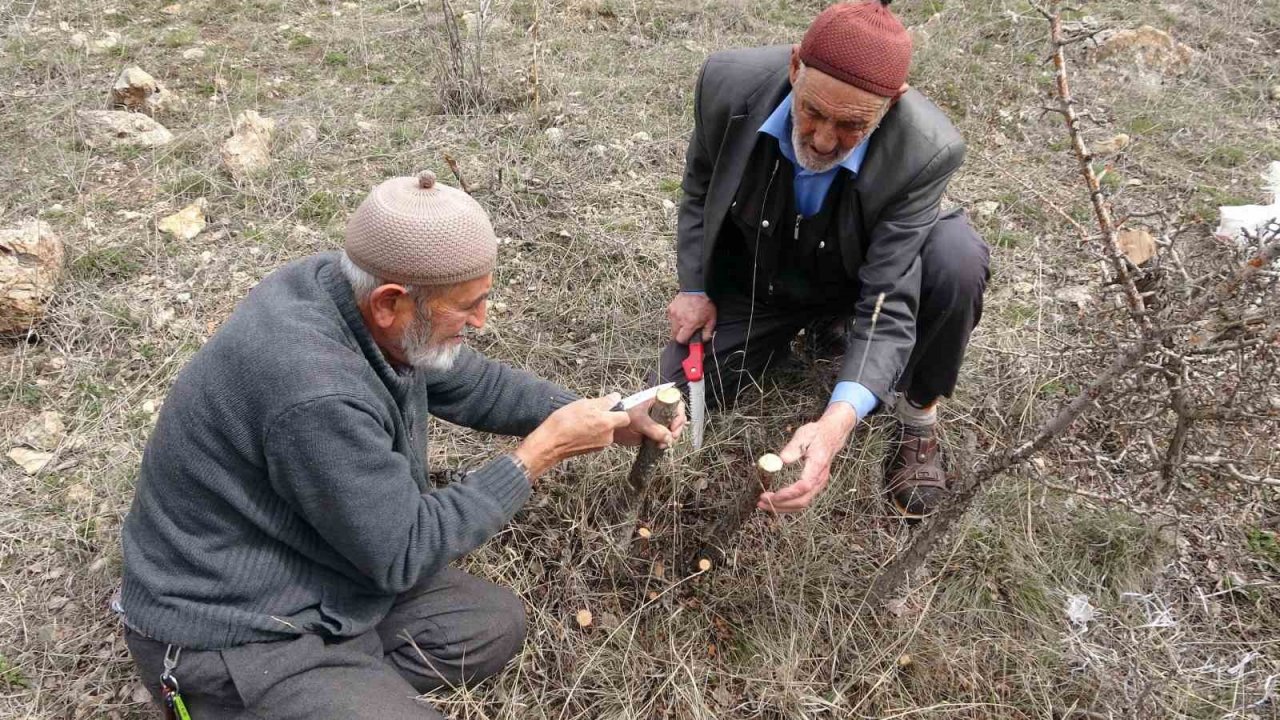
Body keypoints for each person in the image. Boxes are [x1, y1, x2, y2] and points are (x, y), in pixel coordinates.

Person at [117, 170, 683, 719]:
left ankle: (337, 685)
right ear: (391, 301)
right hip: (230, 625)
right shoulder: (314, 393)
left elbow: (472, 382)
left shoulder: (348, 294)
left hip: (320, 570)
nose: (482, 320)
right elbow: (406, 550)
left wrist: (609, 415)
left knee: (490, 623)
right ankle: (275, 693)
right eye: (466, 306)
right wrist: (539, 453)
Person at [660, 0, 989, 518]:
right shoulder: (727, 83)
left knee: (956, 258)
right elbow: (702, 187)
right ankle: (807, 332)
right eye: (811, 110)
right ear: (795, 67)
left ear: (892, 101)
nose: (823, 139)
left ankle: (917, 411)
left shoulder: (927, 150)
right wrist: (695, 289)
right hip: (762, 273)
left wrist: (837, 422)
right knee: (682, 390)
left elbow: (887, 300)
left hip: (861, 276)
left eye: (853, 124)